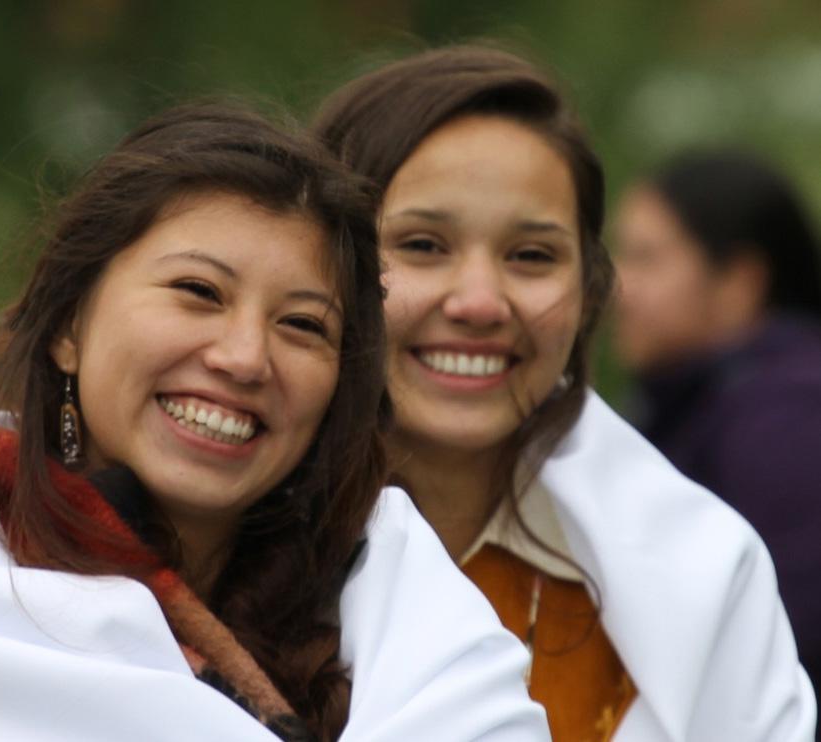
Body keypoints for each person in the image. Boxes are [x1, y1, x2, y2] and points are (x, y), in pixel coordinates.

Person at [0, 102, 551, 741]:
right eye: (198, 292)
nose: (245, 357)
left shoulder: (406, 612)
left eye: (302, 325)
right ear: (68, 325)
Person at [313, 46, 817, 741]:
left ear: (589, 293)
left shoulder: (703, 575)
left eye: (532, 256)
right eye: (425, 244)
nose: (482, 303)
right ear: (323, 267)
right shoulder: (212, 551)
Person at [614, 149, 821, 704]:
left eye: (646, 259)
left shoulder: (787, 419)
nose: (618, 289)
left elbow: (786, 638)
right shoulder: (698, 402)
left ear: (739, 281)